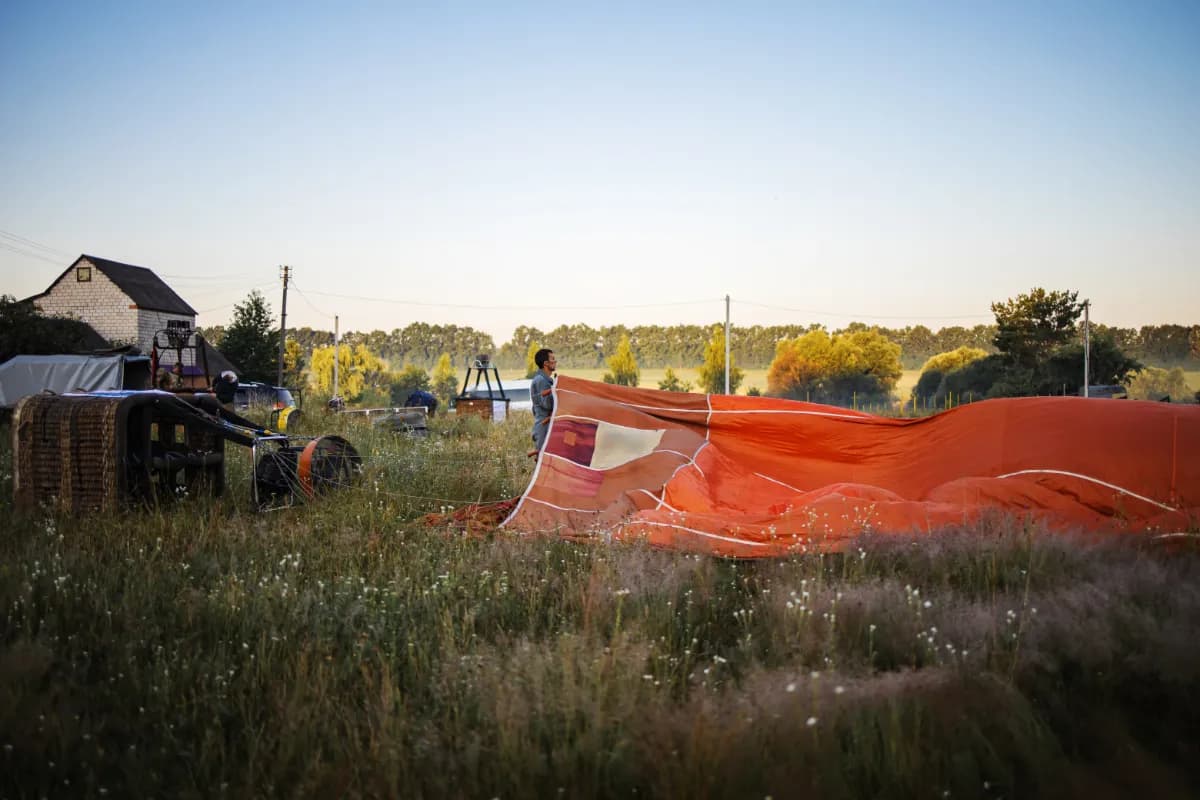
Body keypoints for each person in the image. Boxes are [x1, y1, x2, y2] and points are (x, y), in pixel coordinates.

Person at [528, 348, 556, 457]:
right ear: (546, 363)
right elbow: (548, 404)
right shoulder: (542, 381)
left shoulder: (543, 380)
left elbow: (534, 408)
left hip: (543, 425)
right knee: (542, 461)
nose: (555, 361)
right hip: (544, 426)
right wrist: (558, 391)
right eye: (552, 359)